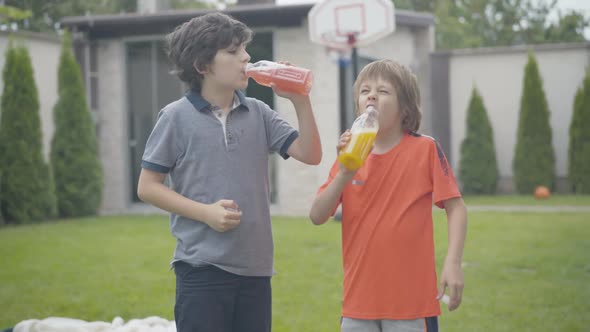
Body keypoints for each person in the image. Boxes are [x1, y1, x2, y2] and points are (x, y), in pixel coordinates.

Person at [137, 12, 322, 332]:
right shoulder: (175, 117)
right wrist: (205, 213)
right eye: (233, 51)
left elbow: (310, 154)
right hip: (201, 271)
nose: (246, 57)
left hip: (256, 271)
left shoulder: (259, 113)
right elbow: (148, 186)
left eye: (244, 49)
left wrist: (300, 100)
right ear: (202, 65)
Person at [309, 59, 467, 332]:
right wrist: (345, 172)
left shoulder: (425, 149)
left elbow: (456, 208)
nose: (371, 95)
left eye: (383, 91)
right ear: (358, 105)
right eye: (365, 91)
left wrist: (452, 263)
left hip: (411, 306)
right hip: (358, 305)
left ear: (405, 107)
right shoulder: (349, 155)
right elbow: (317, 215)